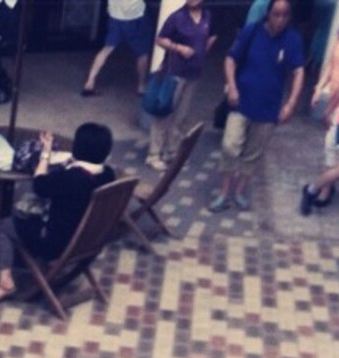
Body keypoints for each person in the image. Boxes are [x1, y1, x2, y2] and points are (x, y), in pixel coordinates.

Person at [0, 121, 115, 304]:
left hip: (55, 244)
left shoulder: (72, 178)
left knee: (4, 225)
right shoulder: (108, 174)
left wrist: (45, 153)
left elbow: (40, 185)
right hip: (88, 240)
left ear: (77, 148)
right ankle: (40, 270)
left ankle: (4, 281)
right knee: (28, 216)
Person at [210, 0, 304, 212]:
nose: (280, 20)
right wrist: (232, 87)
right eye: (276, 14)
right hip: (241, 102)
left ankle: (239, 191)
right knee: (230, 146)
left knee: (253, 152)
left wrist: (290, 104)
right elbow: (230, 59)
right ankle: (224, 192)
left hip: (268, 108)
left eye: (285, 15)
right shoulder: (252, 32)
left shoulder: (292, 39)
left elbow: (298, 71)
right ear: (267, 13)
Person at [146, 0, 217, 172]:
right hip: (174, 72)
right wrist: (178, 48)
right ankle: (154, 153)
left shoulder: (206, 16)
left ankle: (171, 150)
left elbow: (212, 35)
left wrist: (203, 51)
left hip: (193, 73)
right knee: (164, 112)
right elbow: (160, 39)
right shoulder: (177, 17)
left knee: (181, 115)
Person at [300, 25, 339, 213]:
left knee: (333, 155)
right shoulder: (338, 38)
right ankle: (316, 189)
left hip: (337, 107)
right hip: (336, 106)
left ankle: (319, 189)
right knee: (333, 156)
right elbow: (331, 68)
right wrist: (319, 88)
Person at [82, 0, 153, 98]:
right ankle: (141, 86)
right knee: (142, 53)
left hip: (115, 16)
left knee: (107, 49)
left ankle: (90, 82)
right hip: (135, 16)